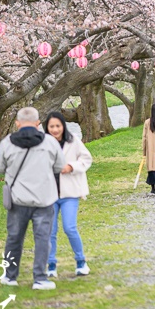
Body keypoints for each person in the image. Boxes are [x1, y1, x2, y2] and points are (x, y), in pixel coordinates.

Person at [0, 106, 67, 290]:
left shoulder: (7, 143)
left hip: (18, 200)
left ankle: (10, 276)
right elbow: (60, 166)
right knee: (43, 238)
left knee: (14, 238)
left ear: (17, 123)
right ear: (37, 123)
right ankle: (40, 278)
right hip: (44, 199)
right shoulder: (50, 142)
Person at [43, 112, 93, 278]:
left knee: (69, 227)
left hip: (69, 193)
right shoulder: (42, 144)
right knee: (50, 231)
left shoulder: (73, 141)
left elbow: (87, 159)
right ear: (47, 128)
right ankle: (51, 265)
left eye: (58, 126)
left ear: (63, 126)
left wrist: (71, 167)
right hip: (49, 194)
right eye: (52, 126)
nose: (55, 129)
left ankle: (81, 262)